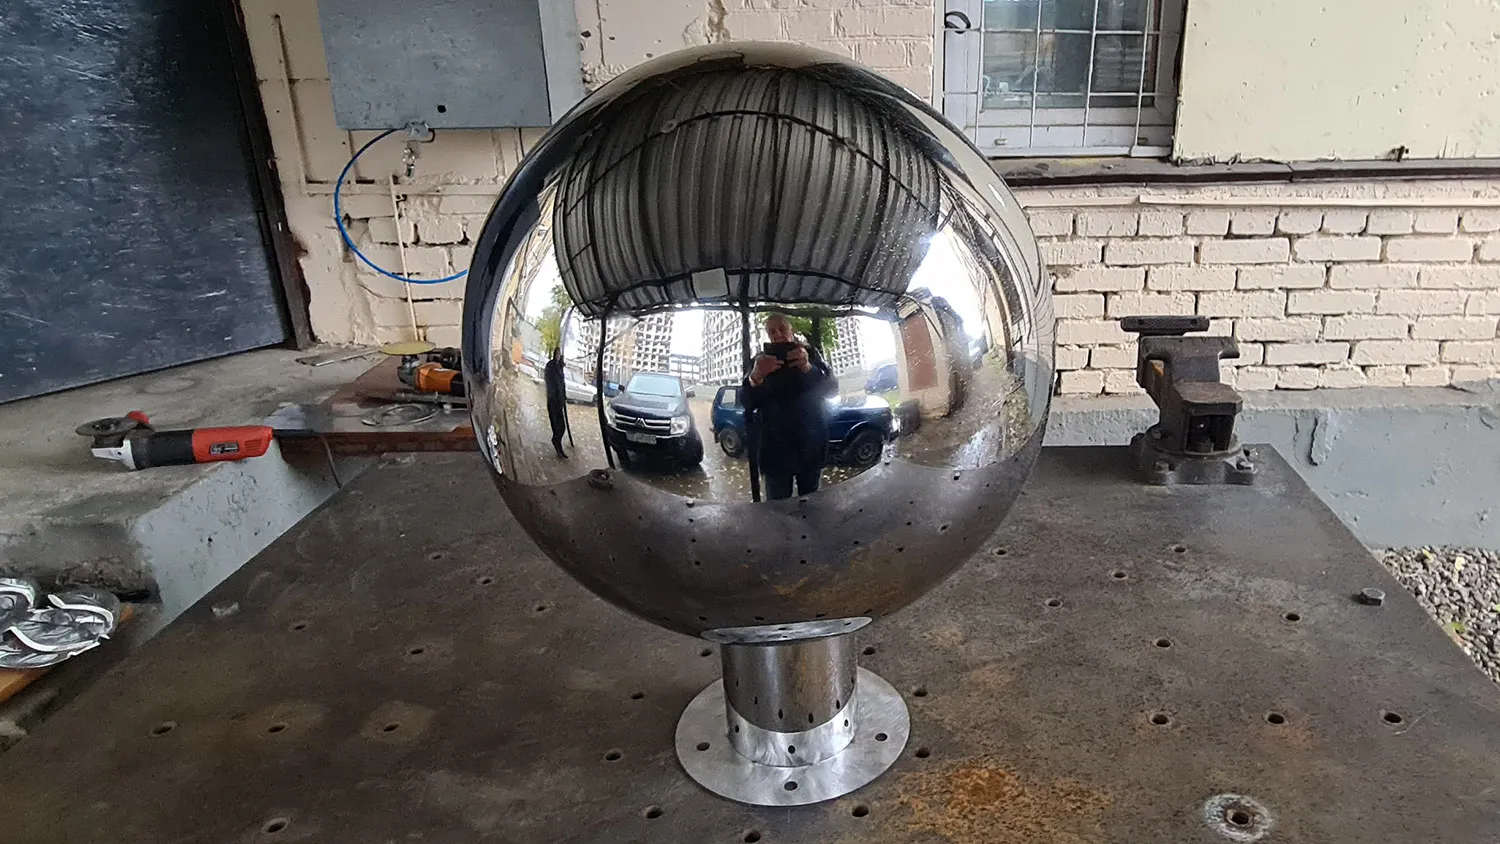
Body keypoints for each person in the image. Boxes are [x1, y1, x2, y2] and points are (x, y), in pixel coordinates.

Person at [741, 313, 836, 500]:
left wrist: (808, 368)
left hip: (810, 446)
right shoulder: (759, 362)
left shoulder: (810, 354)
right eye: (771, 331)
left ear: (792, 330)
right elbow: (746, 403)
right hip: (775, 452)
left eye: (782, 329)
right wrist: (755, 377)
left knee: (812, 506)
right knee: (777, 510)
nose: (777, 334)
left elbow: (832, 389)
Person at [543, 347, 569, 459]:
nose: (558, 356)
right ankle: (558, 447)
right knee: (556, 427)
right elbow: (551, 383)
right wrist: (554, 396)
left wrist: (563, 398)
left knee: (562, 427)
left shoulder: (559, 367)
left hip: (559, 403)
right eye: (557, 354)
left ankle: (557, 443)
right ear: (554, 354)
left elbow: (562, 384)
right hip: (553, 402)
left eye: (559, 354)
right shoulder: (550, 366)